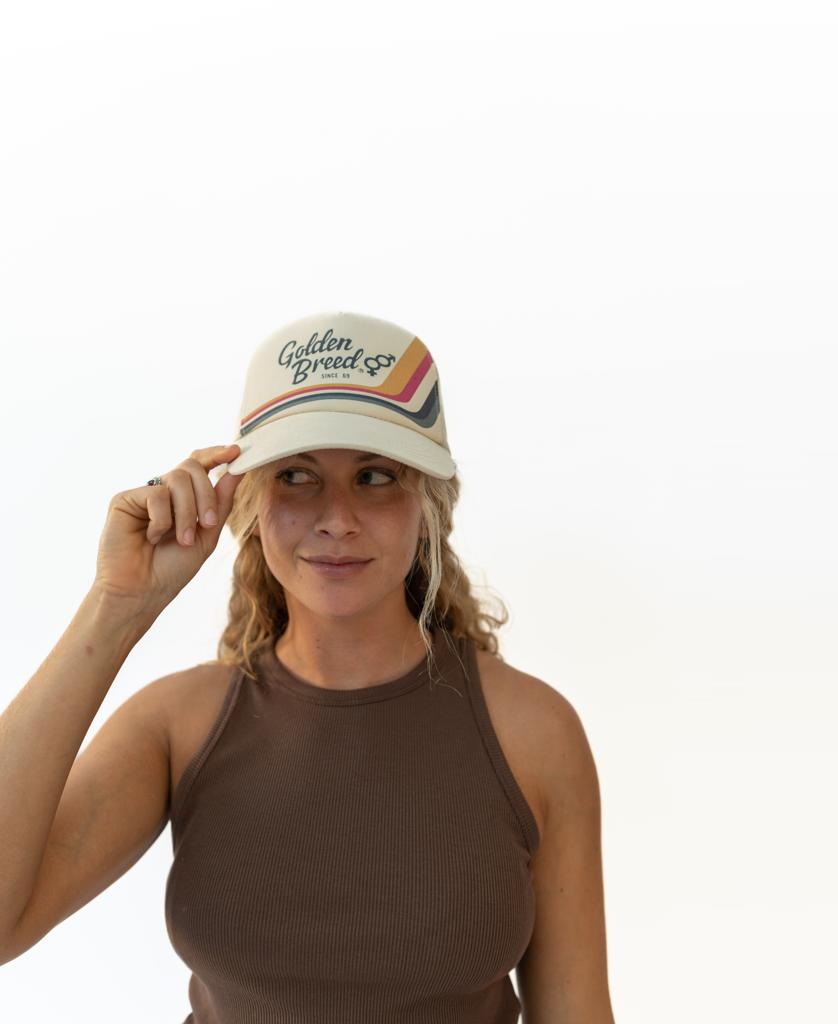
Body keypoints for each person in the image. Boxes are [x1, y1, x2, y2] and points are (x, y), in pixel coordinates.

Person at [0, 311, 616, 1023]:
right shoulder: (179, 727)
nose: (337, 518)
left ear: (429, 504)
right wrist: (117, 608)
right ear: (250, 504)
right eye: (296, 476)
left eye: (375, 475)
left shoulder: (532, 733)